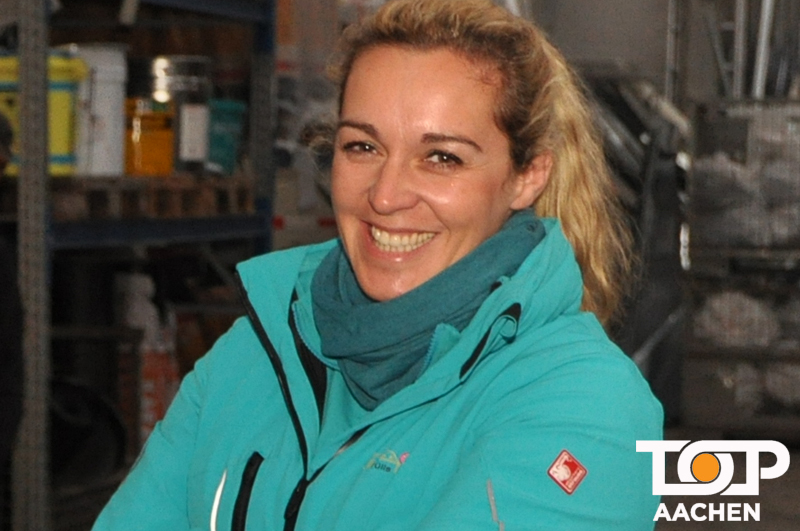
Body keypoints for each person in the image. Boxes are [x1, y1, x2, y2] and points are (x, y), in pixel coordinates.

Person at [93, 1, 662, 529]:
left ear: (527, 176)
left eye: (441, 158)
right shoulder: (255, 354)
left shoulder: (584, 403)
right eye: (362, 147)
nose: (385, 196)